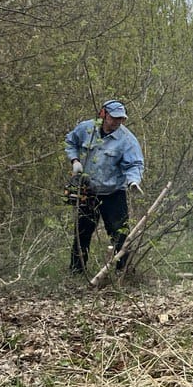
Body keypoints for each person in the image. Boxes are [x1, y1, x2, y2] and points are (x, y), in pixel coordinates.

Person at [64, 99, 145, 274]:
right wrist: (75, 160)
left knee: (120, 233)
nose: (117, 122)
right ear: (103, 114)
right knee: (82, 232)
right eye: (114, 117)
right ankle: (76, 270)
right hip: (87, 191)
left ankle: (122, 272)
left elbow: (135, 164)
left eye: (120, 119)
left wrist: (133, 181)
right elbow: (70, 141)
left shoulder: (127, 139)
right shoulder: (86, 129)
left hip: (113, 193)